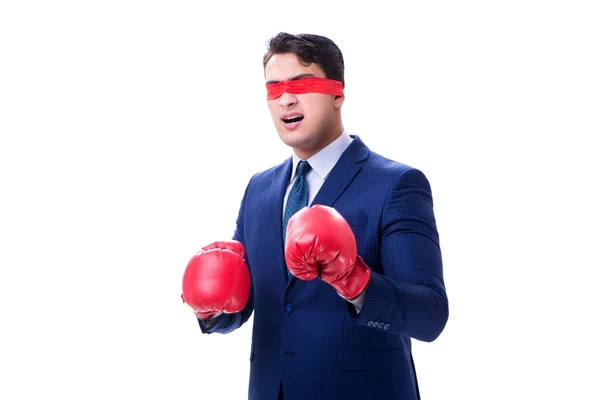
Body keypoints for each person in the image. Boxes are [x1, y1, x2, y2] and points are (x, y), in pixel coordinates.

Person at [181, 32, 449, 400]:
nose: (286, 98)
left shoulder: (396, 184)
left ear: (337, 93)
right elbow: (245, 305)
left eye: (301, 84)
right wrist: (210, 308)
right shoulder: (258, 190)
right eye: (273, 89)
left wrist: (355, 281)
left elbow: (430, 315)